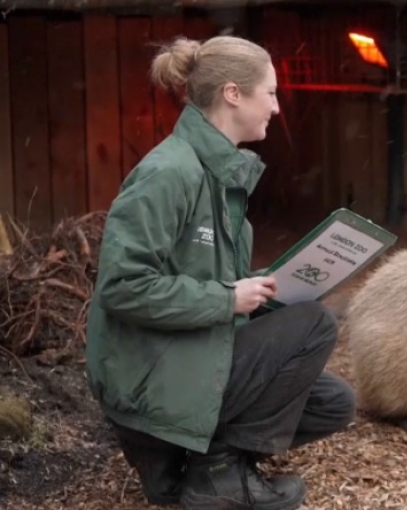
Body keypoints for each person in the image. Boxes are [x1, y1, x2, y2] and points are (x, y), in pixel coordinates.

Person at [84, 35, 356, 510]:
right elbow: (122, 287)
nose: (276, 106)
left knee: (332, 402)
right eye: (269, 93)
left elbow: (201, 275)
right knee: (315, 324)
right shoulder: (170, 173)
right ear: (233, 94)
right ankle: (217, 475)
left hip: (183, 355)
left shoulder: (217, 174)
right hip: (149, 377)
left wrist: (266, 284)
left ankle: (183, 462)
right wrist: (227, 299)